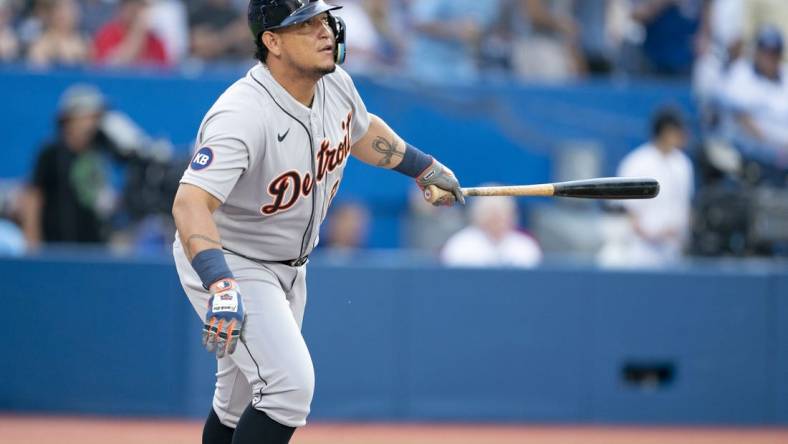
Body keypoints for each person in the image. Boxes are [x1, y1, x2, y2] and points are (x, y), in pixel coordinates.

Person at [170, 2, 464, 443]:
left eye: (324, 19)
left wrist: (422, 167)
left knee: (236, 402)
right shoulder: (242, 114)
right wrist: (221, 284)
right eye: (304, 24)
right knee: (289, 389)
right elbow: (189, 203)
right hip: (235, 261)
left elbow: (360, 131)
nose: (324, 30)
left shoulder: (336, 84)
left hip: (290, 264)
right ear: (272, 42)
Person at [20, 84, 114, 248]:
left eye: (97, 117)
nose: (93, 123)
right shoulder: (50, 153)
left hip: (94, 247)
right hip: (55, 247)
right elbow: (33, 198)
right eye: (88, 116)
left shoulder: (101, 150)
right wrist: (32, 241)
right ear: (69, 120)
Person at [602, 107, 694, 267]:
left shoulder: (683, 164)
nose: (683, 135)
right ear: (665, 131)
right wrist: (649, 233)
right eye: (677, 130)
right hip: (640, 249)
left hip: (673, 248)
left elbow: (686, 204)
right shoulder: (637, 162)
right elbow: (623, 209)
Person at [720, 25, 788, 168]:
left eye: (774, 52)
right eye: (765, 51)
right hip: (753, 145)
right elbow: (742, 118)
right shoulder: (740, 72)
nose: (769, 57)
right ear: (756, 51)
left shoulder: (785, 74)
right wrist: (774, 145)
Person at [441, 193, 542, 268]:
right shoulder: (459, 245)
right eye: (490, 213)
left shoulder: (525, 246)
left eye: (502, 213)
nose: (496, 219)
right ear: (476, 214)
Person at [93, 0, 170, 66]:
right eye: (132, 5)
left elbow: (167, 73)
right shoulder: (107, 34)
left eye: (140, 6)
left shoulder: (156, 41)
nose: (135, 11)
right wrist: (137, 32)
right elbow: (110, 68)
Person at [27, 0, 90, 67]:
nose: (64, 15)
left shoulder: (83, 42)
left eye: (69, 11)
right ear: (53, 15)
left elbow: (91, 69)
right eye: (60, 11)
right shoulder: (41, 42)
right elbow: (35, 66)